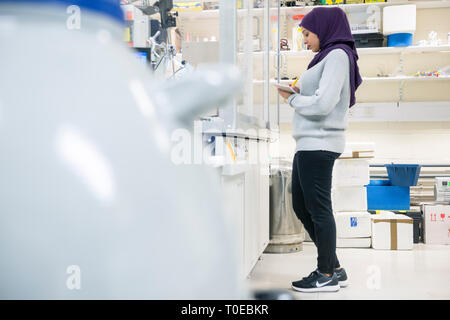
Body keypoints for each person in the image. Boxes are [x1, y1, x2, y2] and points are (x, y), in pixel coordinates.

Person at [277, 7, 362, 293]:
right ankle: (335, 268)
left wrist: (291, 100)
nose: (305, 39)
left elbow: (325, 104)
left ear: (324, 28)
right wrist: (299, 93)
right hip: (309, 142)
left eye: (307, 33)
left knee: (319, 209)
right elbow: (318, 96)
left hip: (320, 142)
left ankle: (325, 273)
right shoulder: (326, 56)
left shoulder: (337, 55)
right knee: (302, 206)